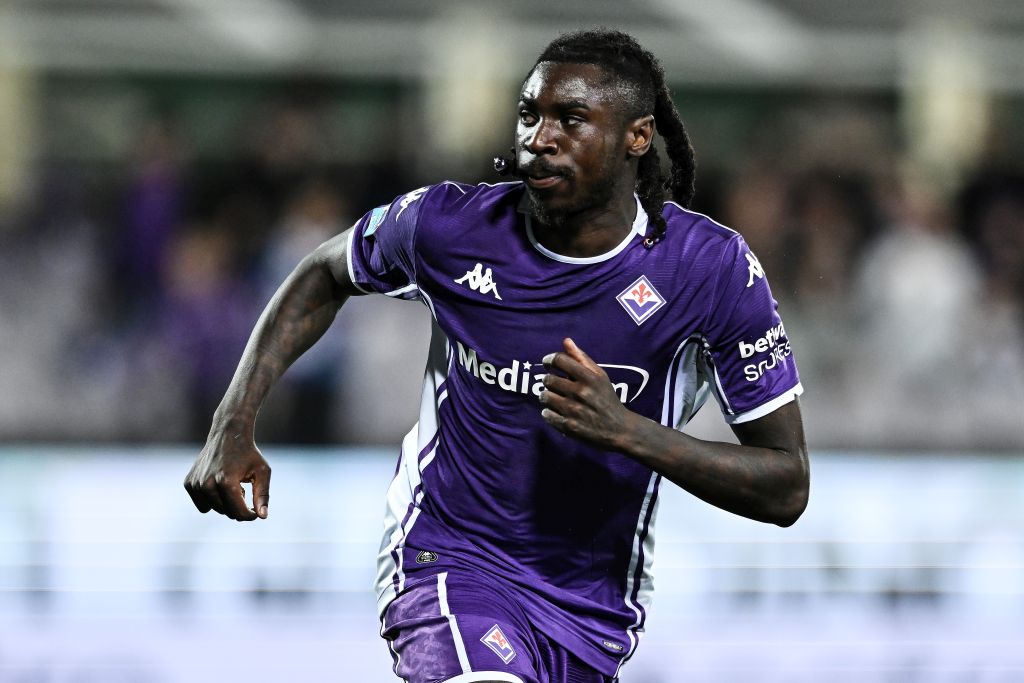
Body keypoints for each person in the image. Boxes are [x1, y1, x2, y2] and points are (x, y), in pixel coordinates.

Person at [184, 29, 809, 683]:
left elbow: (786, 483)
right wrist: (233, 421)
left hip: (589, 609)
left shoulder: (710, 270)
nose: (540, 138)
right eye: (529, 114)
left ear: (637, 137)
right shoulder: (449, 226)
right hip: (447, 560)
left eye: (571, 119)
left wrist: (627, 431)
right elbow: (322, 272)